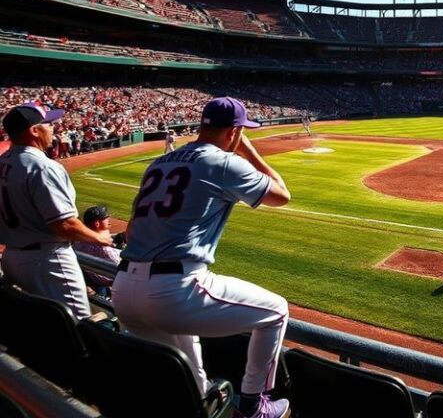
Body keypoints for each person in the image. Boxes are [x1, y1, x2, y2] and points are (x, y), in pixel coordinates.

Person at [111, 97, 292, 418]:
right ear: (235, 131)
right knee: (276, 311)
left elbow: (132, 227)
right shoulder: (223, 161)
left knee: (194, 393)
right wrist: (248, 151)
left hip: (123, 288)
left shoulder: (159, 162)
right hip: (175, 291)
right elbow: (282, 195)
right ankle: (254, 404)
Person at [0, 102, 113, 319]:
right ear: (34, 130)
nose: (54, 128)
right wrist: (101, 239)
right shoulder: (43, 167)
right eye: (48, 124)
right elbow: (64, 225)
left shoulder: (3, 162)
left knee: (38, 321)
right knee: (77, 325)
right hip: (47, 260)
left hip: (12, 256)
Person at [73, 205, 121, 297]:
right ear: (97, 224)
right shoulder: (104, 249)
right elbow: (117, 270)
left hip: (89, 282)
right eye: (106, 218)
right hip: (103, 289)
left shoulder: (78, 241)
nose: (108, 219)